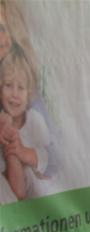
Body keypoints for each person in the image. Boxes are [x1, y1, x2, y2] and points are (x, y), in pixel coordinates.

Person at [0, 44, 49, 203]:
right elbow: (18, 192)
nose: (14, 94)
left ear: (29, 93)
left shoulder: (35, 121)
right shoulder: (2, 125)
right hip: (11, 193)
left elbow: (45, 157)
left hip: (34, 192)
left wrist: (22, 152)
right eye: (8, 85)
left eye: (20, 87)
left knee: (30, 173)